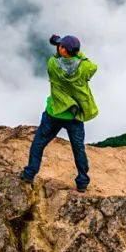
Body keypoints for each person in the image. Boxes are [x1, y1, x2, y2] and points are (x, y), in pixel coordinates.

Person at [19, 34, 98, 192]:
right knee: (78, 149)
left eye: (61, 46)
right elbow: (92, 66)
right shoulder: (85, 68)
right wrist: (76, 54)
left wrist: (59, 49)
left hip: (54, 113)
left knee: (39, 143)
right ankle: (82, 182)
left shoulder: (53, 64)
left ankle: (29, 173)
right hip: (74, 116)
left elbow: (57, 57)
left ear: (62, 50)